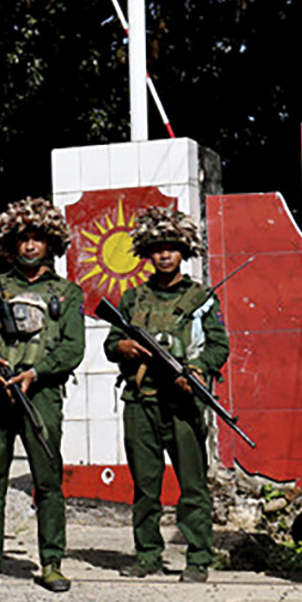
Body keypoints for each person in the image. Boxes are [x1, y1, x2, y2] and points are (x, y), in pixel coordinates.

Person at [0, 198, 85, 593]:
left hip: (40, 396)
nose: (29, 246)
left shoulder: (66, 293)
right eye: (22, 238)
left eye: (38, 238)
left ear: (51, 243)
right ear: (11, 243)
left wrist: (36, 372)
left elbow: (72, 348)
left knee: (48, 480)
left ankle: (52, 562)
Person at [103, 206, 231, 582]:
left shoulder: (201, 298)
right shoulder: (132, 298)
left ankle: (198, 559)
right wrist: (123, 347)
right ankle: (146, 556)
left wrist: (197, 369)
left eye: (172, 248)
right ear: (147, 252)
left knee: (192, 485)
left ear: (184, 252)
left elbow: (219, 345)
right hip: (140, 402)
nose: (164, 255)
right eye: (157, 248)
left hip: (183, 403)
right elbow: (112, 343)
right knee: (146, 486)